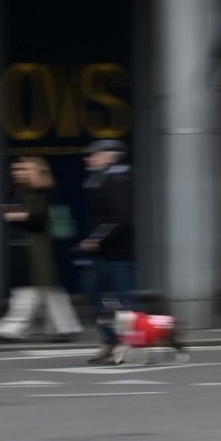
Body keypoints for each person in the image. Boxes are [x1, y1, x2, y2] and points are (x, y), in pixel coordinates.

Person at [0, 157, 83, 342]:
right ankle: (64, 327)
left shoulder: (48, 194)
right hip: (28, 248)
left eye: (25, 170)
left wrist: (24, 217)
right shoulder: (20, 191)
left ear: (39, 172)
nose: (19, 173)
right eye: (18, 170)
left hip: (41, 249)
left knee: (33, 289)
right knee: (47, 290)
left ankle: (12, 328)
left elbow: (45, 221)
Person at [78, 138, 135, 364]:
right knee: (96, 294)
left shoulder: (116, 180)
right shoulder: (104, 179)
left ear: (111, 156)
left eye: (94, 154)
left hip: (117, 253)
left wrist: (96, 239)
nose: (89, 158)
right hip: (106, 253)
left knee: (123, 301)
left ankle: (128, 345)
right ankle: (111, 340)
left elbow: (121, 218)